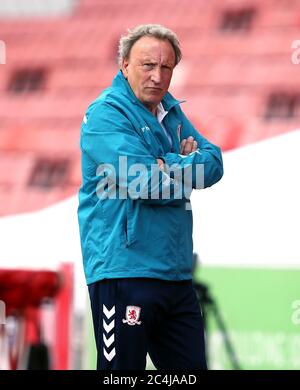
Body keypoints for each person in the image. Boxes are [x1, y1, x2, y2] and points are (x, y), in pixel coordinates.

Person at [78, 24, 223, 370]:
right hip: (123, 272)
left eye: (166, 67)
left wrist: (169, 163)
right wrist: (186, 165)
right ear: (124, 65)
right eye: (147, 65)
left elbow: (214, 164)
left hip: (175, 274)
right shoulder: (105, 114)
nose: (158, 76)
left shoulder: (169, 111)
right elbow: (143, 182)